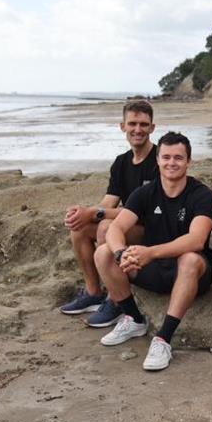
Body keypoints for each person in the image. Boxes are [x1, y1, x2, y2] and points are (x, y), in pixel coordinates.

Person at [94, 132, 212, 371]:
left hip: (190, 274)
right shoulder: (145, 193)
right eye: (166, 157)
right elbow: (116, 227)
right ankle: (134, 319)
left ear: (188, 161)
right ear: (158, 160)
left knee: (190, 259)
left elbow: (196, 239)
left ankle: (163, 339)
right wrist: (121, 254)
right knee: (103, 253)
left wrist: (150, 252)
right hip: (151, 270)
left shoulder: (202, 194)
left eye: (178, 158)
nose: (172, 163)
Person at [60, 100, 157, 328]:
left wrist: (98, 213)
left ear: (152, 127)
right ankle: (94, 292)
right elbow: (108, 202)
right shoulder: (121, 162)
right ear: (122, 126)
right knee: (80, 227)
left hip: (153, 226)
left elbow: (142, 211)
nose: (138, 129)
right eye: (132, 123)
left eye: (144, 124)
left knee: (106, 226)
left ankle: (115, 300)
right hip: (128, 225)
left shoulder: (160, 159)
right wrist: (84, 213)